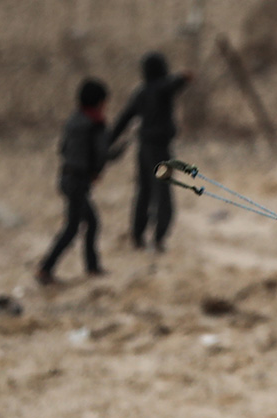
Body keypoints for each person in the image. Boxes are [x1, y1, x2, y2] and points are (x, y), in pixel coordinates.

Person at [37, 79, 119, 285]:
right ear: (99, 102)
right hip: (79, 181)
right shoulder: (96, 123)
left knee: (90, 222)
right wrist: (113, 156)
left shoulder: (73, 120)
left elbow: (63, 148)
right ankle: (46, 269)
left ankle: (92, 267)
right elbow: (102, 154)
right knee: (73, 227)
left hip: (65, 177)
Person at [109, 52, 192, 252]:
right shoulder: (161, 88)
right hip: (160, 150)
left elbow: (124, 119)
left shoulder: (141, 92)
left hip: (143, 149)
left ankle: (138, 236)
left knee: (144, 192)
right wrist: (183, 77)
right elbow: (172, 84)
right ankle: (159, 238)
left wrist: (107, 141)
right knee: (163, 193)